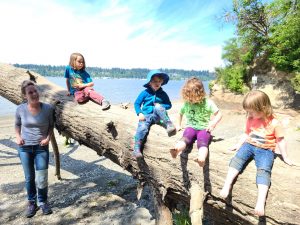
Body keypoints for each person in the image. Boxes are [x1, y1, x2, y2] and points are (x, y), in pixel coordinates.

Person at [220, 90, 294, 216]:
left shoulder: (275, 123)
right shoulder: (250, 118)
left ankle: (260, 201)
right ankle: (227, 185)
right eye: (248, 111)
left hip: (266, 150)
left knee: (264, 170)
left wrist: (285, 157)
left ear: (263, 108)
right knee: (236, 160)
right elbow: (247, 133)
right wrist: (238, 145)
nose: (249, 114)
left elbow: (280, 140)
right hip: (249, 145)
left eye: (251, 111)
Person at [15, 80, 54, 217]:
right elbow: (17, 124)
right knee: (29, 177)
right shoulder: (20, 109)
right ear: (25, 96)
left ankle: (43, 202)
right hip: (24, 148)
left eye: (35, 91)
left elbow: (51, 126)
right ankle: (32, 203)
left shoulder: (48, 108)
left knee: (42, 177)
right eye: (30, 92)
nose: (34, 94)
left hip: (41, 148)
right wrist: (18, 137)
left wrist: (48, 138)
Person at [170, 77, 222, 167]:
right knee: (185, 138)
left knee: (202, 143)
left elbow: (219, 114)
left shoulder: (208, 103)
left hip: (204, 129)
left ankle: (201, 159)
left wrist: (213, 123)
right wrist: (178, 125)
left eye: (193, 97)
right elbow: (180, 113)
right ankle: (176, 150)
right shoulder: (187, 103)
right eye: (189, 97)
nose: (191, 100)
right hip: (190, 127)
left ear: (200, 93)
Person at [132, 69, 176, 158]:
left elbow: (169, 105)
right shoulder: (145, 93)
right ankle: (136, 149)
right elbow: (137, 103)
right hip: (146, 116)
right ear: (149, 83)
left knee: (158, 107)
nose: (157, 83)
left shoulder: (163, 94)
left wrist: (162, 105)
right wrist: (139, 113)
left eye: (159, 81)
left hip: (157, 116)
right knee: (142, 128)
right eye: (155, 81)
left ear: (162, 82)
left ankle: (168, 124)